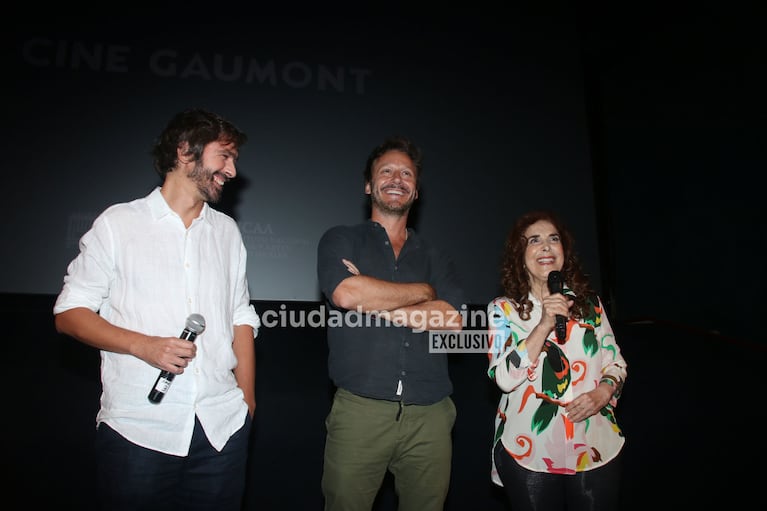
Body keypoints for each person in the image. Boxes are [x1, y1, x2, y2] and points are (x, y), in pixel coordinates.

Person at [53, 108, 261, 511]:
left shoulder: (227, 233)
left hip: (222, 430)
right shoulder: (119, 224)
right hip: (140, 433)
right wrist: (143, 346)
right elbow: (69, 313)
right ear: (185, 152)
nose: (232, 171)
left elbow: (241, 317)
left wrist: (246, 401)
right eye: (225, 156)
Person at [316, 135, 466, 511]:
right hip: (360, 412)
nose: (396, 178)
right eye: (386, 171)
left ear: (416, 191)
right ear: (369, 185)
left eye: (406, 173)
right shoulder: (340, 239)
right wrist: (425, 292)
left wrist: (376, 302)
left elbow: (451, 322)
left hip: (430, 415)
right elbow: (347, 295)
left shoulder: (436, 256)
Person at [487, 209, 627, 511]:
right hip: (529, 452)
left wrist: (604, 393)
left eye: (554, 239)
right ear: (519, 255)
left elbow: (615, 363)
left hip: (595, 446)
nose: (546, 246)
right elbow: (503, 377)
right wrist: (544, 324)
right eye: (534, 240)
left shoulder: (590, 304)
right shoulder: (502, 311)